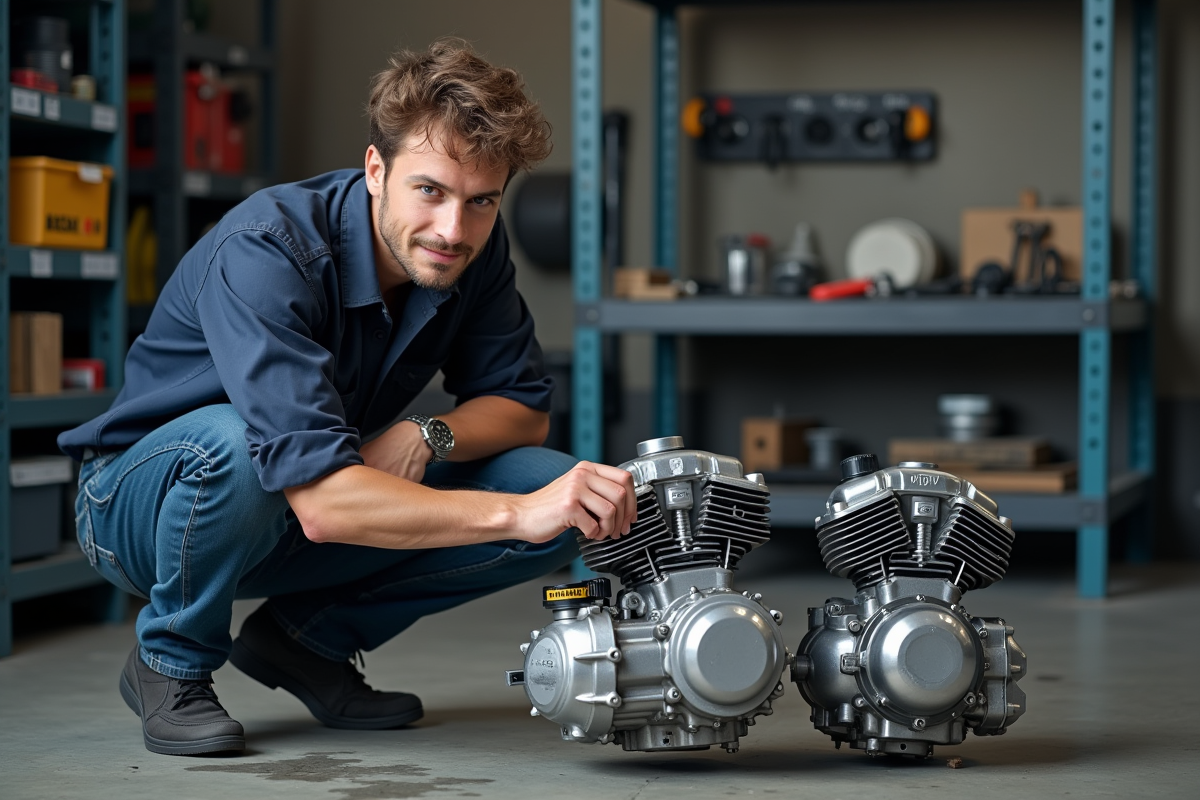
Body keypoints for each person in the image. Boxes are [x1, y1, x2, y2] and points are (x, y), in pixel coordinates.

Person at [57, 38, 636, 757]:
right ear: (375, 169)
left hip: (299, 501)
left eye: (481, 200)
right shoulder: (268, 249)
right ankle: (168, 663)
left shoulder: (470, 247)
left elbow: (522, 408)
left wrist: (427, 434)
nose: (452, 230)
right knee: (240, 447)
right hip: (139, 510)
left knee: (555, 487)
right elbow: (327, 505)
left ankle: (303, 643)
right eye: (429, 190)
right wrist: (517, 515)